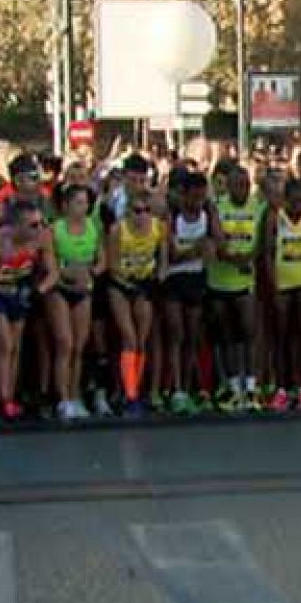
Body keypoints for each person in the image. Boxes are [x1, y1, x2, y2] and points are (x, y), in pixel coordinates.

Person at [0, 200, 58, 422]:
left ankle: (10, 397)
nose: (38, 229)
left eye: (39, 223)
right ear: (17, 225)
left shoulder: (42, 239)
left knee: (15, 346)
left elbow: (52, 272)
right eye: (32, 225)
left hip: (22, 292)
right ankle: (2, 397)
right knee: (4, 344)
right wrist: (8, 290)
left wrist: (39, 290)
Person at [208, 163, 266, 411]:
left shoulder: (258, 207)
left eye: (245, 185)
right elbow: (218, 246)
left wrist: (248, 258)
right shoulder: (217, 208)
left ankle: (251, 388)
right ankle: (233, 389)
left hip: (245, 281)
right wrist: (235, 259)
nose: (242, 189)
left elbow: (263, 242)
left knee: (249, 334)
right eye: (237, 185)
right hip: (220, 281)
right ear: (228, 187)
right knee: (228, 336)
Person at [105, 187, 165, 416]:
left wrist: (157, 276)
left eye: (147, 211)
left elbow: (164, 259)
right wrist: (128, 279)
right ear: (128, 212)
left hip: (144, 283)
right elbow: (112, 266)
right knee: (128, 337)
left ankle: (136, 389)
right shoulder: (117, 231)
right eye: (137, 211)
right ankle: (129, 394)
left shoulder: (158, 228)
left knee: (141, 339)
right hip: (121, 284)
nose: (142, 216)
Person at [49, 185, 104, 420]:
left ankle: (74, 394)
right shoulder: (55, 230)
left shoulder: (93, 228)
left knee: (79, 347)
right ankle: (62, 399)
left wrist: (90, 272)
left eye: (86, 203)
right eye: (78, 203)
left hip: (84, 288)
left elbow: (102, 259)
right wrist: (66, 275)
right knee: (65, 343)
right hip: (60, 289)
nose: (83, 208)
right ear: (66, 206)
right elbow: (49, 262)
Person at [264, 178, 301, 411]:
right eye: (293, 202)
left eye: (300, 202)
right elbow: (267, 252)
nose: (297, 207)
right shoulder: (275, 218)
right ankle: (281, 388)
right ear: (285, 200)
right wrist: (274, 284)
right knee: (282, 337)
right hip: (283, 284)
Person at [162, 172, 213, 416]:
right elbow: (171, 254)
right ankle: (176, 388)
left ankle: (192, 385)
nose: (198, 202)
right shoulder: (172, 218)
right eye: (194, 197)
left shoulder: (207, 215)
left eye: (202, 197)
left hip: (196, 279)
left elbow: (215, 247)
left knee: (192, 335)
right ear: (184, 195)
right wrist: (195, 249)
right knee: (176, 333)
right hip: (174, 280)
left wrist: (205, 249)